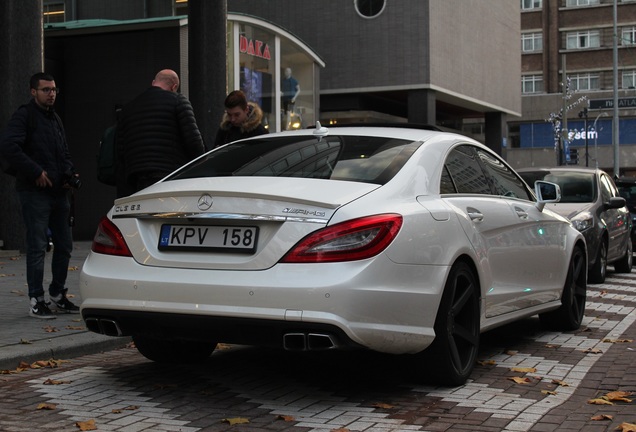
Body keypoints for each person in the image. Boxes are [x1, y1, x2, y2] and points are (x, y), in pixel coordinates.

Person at [0, 72, 79, 319]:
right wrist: (35, 171)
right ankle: (37, 299)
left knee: (65, 246)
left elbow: (63, 152)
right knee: (36, 247)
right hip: (34, 194)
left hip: (58, 193)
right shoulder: (24, 116)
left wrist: (70, 174)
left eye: (54, 89)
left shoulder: (55, 118)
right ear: (33, 91)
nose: (51, 93)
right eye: (46, 89)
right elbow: (9, 146)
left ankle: (57, 293)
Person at [116, 69, 205, 196]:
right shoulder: (178, 101)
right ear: (174, 87)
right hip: (168, 175)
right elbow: (194, 143)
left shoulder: (128, 108)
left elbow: (120, 151)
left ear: (153, 82)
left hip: (137, 178)